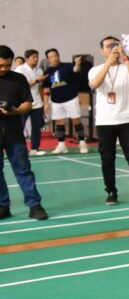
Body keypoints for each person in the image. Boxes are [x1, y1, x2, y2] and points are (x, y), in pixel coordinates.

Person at [88, 36, 129, 206]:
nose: (113, 48)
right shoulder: (95, 69)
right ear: (102, 50)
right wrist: (108, 63)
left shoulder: (126, 66)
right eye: (109, 46)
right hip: (105, 122)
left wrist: (125, 57)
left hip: (126, 120)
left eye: (116, 45)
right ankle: (111, 191)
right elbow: (95, 83)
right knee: (107, 159)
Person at [0, 45, 48, 221]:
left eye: (7, 65)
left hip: (14, 134)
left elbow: (28, 103)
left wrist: (12, 110)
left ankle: (35, 205)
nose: (4, 69)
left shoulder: (18, 79)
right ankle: (3, 206)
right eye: (0, 66)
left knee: (23, 170)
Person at [44, 48, 88, 154]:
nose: (54, 58)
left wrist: (77, 63)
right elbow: (46, 89)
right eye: (51, 57)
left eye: (55, 55)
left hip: (71, 99)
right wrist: (46, 103)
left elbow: (75, 70)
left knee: (76, 121)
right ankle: (61, 145)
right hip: (55, 101)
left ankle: (82, 143)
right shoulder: (48, 72)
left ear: (58, 56)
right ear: (48, 59)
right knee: (59, 123)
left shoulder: (67, 66)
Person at [15, 49, 48, 156]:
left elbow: (40, 88)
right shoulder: (20, 69)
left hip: (37, 103)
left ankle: (34, 149)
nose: (36, 59)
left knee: (36, 127)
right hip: (23, 103)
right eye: (33, 57)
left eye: (37, 57)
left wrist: (44, 102)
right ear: (27, 58)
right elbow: (20, 88)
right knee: (20, 127)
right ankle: (19, 150)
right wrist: (36, 80)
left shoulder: (39, 70)